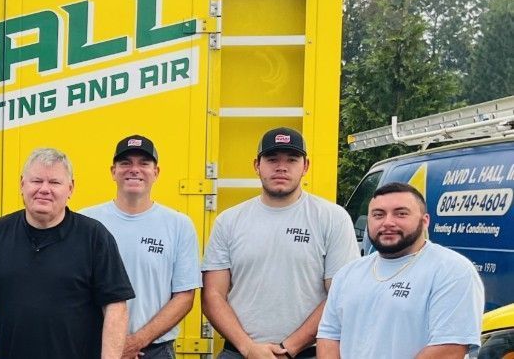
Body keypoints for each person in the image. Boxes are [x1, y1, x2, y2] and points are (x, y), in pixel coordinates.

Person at [0, 148, 135, 359]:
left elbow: (115, 307)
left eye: (54, 182)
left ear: (70, 188)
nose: (44, 189)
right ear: (22, 184)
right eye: (36, 181)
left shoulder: (94, 237)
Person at [201, 127, 359, 359]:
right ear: (257, 165)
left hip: (307, 352)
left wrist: (288, 349)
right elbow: (212, 294)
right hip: (239, 352)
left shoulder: (332, 218)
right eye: (272, 159)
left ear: (306, 166)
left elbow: (340, 295)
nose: (281, 167)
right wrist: (248, 347)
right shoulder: (229, 221)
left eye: (292, 160)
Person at [316, 182, 484, 358]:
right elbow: (329, 334)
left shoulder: (452, 270)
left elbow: (449, 349)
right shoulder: (348, 273)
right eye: (378, 215)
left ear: (425, 221)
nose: (388, 222)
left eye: (401, 214)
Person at [82, 135, 201, 359]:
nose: (134, 169)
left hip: (154, 350)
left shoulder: (178, 225)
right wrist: (115, 343)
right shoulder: (86, 222)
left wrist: (136, 341)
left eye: (144, 163)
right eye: (125, 163)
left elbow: (184, 297)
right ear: (113, 171)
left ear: (156, 172)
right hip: (94, 347)